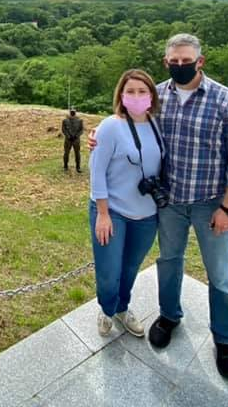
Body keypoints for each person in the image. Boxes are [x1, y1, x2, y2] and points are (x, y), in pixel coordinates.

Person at [89, 34, 228, 380]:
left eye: (187, 60)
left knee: (220, 275)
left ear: (201, 61)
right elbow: (126, 123)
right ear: (166, 63)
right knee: (168, 262)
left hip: (212, 203)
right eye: (174, 62)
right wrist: (97, 136)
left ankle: (224, 340)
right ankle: (169, 315)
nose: (181, 66)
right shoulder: (158, 95)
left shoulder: (227, 101)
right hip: (170, 202)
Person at [89, 69, 164, 339]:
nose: (136, 96)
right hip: (113, 212)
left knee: (131, 268)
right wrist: (103, 213)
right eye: (130, 91)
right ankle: (106, 309)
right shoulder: (110, 126)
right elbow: (96, 171)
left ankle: (122, 308)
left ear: (152, 95)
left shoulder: (157, 124)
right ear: (121, 94)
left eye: (142, 91)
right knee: (109, 271)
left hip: (146, 215)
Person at [61, 108, 84, 173]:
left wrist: (76, 136)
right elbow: (63, 129)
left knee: (77, 154)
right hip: (68, 140)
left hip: (76, 140)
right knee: (66, 153)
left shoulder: (80, 120)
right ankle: (65, 166)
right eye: (71, 112)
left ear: (75, 112)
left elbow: (81, 130)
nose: (72, 113)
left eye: (73, 112)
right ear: (70, 112)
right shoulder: (65, 120)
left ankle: (78, 167)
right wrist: (68, 136)